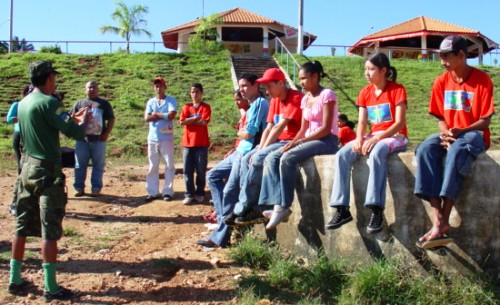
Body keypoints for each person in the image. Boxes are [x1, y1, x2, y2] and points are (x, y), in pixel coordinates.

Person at [8, 60, 85, 301]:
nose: (56, 81)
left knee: (21, 226)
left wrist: (69, 118)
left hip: (27, 169)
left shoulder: (23, 103)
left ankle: (15, 279)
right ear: (49, 79)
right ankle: (51, 287)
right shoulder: (51, 103)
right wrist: (79, 121)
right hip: (47, 172)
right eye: (54, 77)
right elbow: (74, 132)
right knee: (49, 230)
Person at [414, 36, 495, 249]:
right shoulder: (441, 82)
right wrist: (446, 133)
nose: (442, 61)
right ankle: (438, 220)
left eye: (446, 57)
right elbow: (441, 118)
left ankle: (444, 219)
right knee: (424, 149)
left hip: (474, 134)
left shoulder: (482, 80)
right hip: (450, 133)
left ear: (461, 55)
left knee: (458, 149)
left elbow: (485, 121)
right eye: (440, 56)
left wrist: (461, 131)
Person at [326, 52, 408, 234]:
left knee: (377, 151)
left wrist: (378, 138)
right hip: (373, 135)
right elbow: (362, 121)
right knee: (342, 154)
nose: (367, 73)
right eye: (366, 69)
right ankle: (341, 208)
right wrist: (358, 139)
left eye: (371, 69)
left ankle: (376, 209)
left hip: (396, 136)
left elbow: (399, 123)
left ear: (383, 70)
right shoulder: (365, 92)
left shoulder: (397, 90)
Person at [259, 61, 339, 230]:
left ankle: (283, 206)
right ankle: (276, 205)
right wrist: (294, 142)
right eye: (300, 79)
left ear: (315, 77)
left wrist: (300, 142)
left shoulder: (327, 95)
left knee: (287, 158)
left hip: (327, 140)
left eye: (304, 78)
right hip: (310, 139)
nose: (301, 82)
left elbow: (325, 128)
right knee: (280, 154)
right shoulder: (306, 99)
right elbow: (303, 129)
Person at [197, 75, 269, 248]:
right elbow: (243, 132)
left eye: (245, 86)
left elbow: (249, 133)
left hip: (247, 152)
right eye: (240, 86)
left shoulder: (260, 103)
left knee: (230, 190)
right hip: (239, 150)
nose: (242, 89)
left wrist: (242, 133)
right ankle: (225, 222)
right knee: (213, 176)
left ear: (255, 85)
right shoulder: (252, 106)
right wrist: (240, 135)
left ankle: (221, 235)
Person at [226, 68, 304, 226]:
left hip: (290, 140)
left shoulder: (295, 97)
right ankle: (247, 206)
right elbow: (269, 128)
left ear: (281, 83)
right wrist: (259, 149)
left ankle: (246, 208)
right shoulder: (274, 100)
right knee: (248, 157)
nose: (267, 91)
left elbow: (278, 128)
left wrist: (260, 152)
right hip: (277, 140)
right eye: (266, 87)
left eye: (269, 87)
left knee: (259, 158)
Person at [70, 80, 115, 197]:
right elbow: (71, 118)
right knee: (79, 165)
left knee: (98, 165)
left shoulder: (104, 104)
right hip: (82, 140)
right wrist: (75, 130)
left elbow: (111, 118)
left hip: (99, 140)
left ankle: (96, 188)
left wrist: (107, 133)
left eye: (94, 87)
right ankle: (79, 188)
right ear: (85, 89)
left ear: (98, 89)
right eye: (89, 87)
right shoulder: (79, 103)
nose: (91, 89)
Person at [144, 77, 177, 202]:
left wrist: (156, 114)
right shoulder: (151, 102)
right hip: (153, 138)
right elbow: (147, 118)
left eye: (161, 86)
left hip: (166, 137)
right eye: (156, 86)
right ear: (154, 88)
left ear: (165, 87)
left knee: (169, 164)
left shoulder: (171, 100)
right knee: (153, 165)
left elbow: (172, 115)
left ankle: (168, 191)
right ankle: (152, 191)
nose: (158, 88)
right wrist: (163, 116)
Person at [179, 83, 211, 205]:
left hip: (201, 143)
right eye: (192, 91)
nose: (194, 94)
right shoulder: (186, 107)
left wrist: (189, 121)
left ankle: (200, 192)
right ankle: (189, 194)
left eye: (197, 91)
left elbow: (204, 122)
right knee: (187, 170)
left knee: (201, 170)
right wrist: (195, 119)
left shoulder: (206, 107)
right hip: (187, 143)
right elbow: (181, 122)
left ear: (201, 93)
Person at [6, 85, 31, 215]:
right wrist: (22, 117)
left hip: (30, 136)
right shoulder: (18, 104)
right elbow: (9, 119)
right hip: (19, 134)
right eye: (28, 91)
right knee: (21, 163)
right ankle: (20, 189)